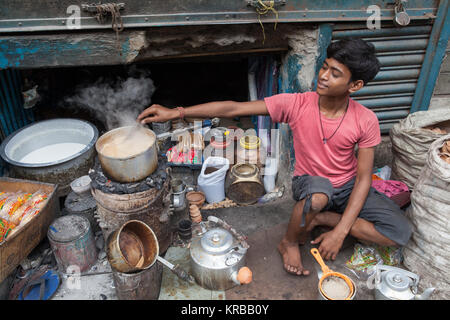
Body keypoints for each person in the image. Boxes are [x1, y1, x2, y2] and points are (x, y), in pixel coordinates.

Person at [137, 38, 412, 276]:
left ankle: (325, 220)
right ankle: (289, 243)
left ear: (355, 85)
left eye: (336, 73)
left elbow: (364, 178)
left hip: (349, 185)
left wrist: (340, 232)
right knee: (317, 197)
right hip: (311, 182)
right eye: (325, 66)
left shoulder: (366, 120)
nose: (324, 76)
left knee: (399, 233)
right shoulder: (296, 104)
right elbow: (233, 107)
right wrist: (177, 113)